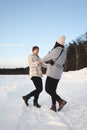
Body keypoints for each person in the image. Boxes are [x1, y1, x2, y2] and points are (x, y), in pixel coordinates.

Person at [40, 36, 67, 112]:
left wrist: (40, 61)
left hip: (52, 73)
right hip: (58, 74)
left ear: (56, 43)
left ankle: (60, 101)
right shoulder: (64, 52)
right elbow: (62, 62)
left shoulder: (55, 50)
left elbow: (46, 57)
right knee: (53, 90)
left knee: (48, 89)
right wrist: (53, 62)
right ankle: (53, 106)